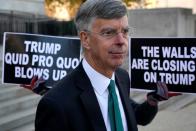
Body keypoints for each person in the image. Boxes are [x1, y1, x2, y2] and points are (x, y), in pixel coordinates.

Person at [35, 0, 180, 131]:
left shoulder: (122, 77)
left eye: (125, 31)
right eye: (109, 32)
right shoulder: (55, 105)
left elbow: (134, 116)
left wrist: (152, 101)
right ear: (85, 39)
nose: (121, 41)